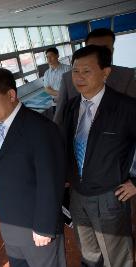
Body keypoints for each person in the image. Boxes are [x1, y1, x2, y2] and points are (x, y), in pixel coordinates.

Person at [0, 68, 66, 267]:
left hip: (37, 227)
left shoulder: (41, 129)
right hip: (11, 224)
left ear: (10, 95)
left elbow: (51, 182)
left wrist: (44, 226)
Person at [61, 45, 136, 266]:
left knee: (117, 258)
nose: (79, 77)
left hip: (109, 196)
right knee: (89, 254)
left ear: (106, 72)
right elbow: (67, 145)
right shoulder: (72, 107)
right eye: (75, 71)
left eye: (87, 71)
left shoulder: (126, 107)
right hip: (78, 196)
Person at [54, 28, 136, 125]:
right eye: (92, 49)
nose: (98, 54)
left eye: (105, 49)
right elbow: (59, 117)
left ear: (112, 50)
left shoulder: (127, 76)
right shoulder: (68, 78)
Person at [43, 47, 71, 114]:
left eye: (51, 56)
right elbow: (47, 89)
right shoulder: (47, 73)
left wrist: (59, 94)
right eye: (47, 57)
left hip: (68, 102)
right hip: (55, 104)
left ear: (57, 55)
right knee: (57, 123)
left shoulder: (67, 69)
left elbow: (71, 86)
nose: (49, 59)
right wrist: (62, 94)